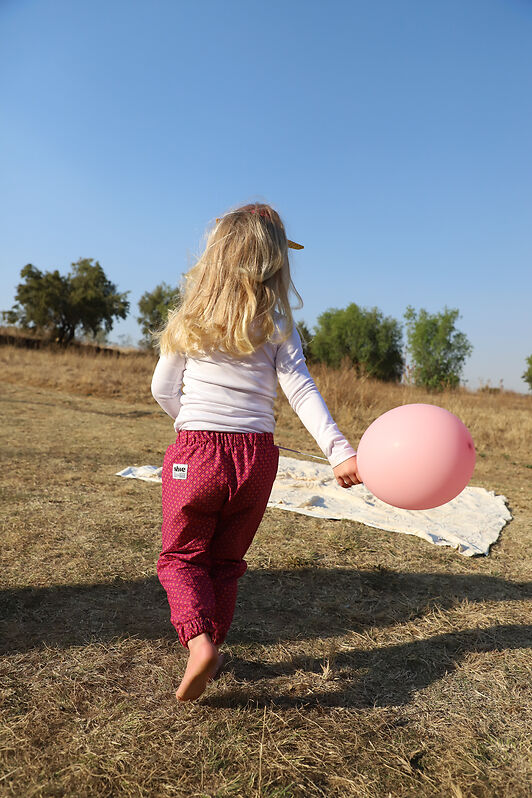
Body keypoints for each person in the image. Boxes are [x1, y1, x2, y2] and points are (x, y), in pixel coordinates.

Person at [151, 202, 361, 702]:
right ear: (275, 265)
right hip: (257, 459)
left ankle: (199, 643)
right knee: (225, 561)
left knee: (181, 557)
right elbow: (302, 391)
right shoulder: (278, 325)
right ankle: (215, 645)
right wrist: (339, 452)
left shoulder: (190, 318)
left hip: (196, 453)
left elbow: (163, 388)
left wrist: (191, 424)